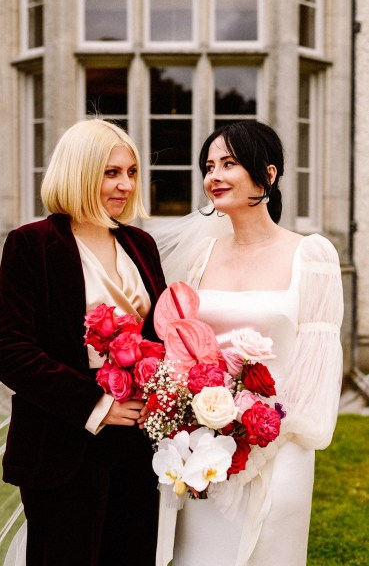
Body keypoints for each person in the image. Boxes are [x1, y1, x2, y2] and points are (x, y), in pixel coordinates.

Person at [154, 120, 344, 566]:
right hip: (201, 445)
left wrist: (254, 437)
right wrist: (196, 424)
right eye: (208, 166)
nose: (213, 176)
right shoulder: (202, 256)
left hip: (279, 447)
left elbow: (317, 366)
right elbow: (183, 348)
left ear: (269, 175)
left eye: (229, 163)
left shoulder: (311, 256)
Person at [0, 118, 166, 566]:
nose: (125, 185)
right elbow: (8, 350)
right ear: (78, 171)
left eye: (131, 172)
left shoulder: (141, 244)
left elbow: (160, 336)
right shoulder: (32, 244)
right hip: (62, 444)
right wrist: (98, 404)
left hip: (136, 448)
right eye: (110, 172)